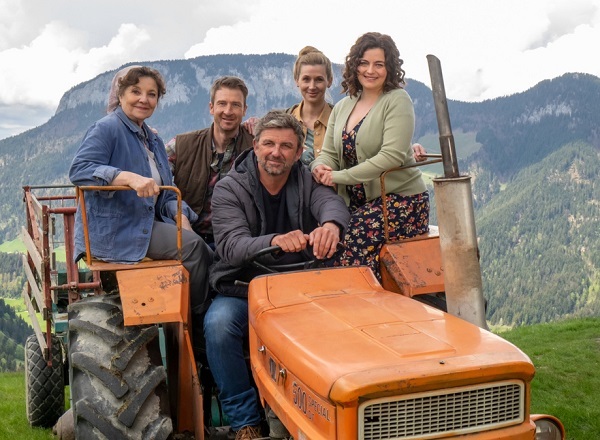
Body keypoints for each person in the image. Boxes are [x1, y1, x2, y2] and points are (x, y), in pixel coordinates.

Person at [204, 111, 349, 439]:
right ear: (255, 146)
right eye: (269, 144)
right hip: (244, 285)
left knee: (344, 322)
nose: (276, 152)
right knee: (218, 326)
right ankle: (245, 422)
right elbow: (231, 246)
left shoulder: (307, 179)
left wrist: (331, 226)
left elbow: (331, 204)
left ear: (298, 153)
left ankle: (325, 415)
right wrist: (275, 241)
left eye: (286, 146)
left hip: (301, 284)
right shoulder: (230, 188)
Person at [69, 65, 213, 334]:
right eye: (136, 91)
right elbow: (79, 170)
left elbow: (166, 189)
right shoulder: (107, 128)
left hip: (143, 222)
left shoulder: (152, 138)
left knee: (207, 249)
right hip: (121, 228)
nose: (144, 99)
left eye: (151, 94)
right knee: (194, 249)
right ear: (121, 95)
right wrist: (126, 177)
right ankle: (197, 327)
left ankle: (209, 314)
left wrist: (181, 218)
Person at [311, 32, 430, 281]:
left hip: (399, 201)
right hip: (358, 203)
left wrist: (340, 177)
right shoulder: (343, 106)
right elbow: (329, 153)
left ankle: (364, 301)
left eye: (379, 64)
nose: (370, 71)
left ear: (390, 68)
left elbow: (391, 156)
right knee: (325, 239)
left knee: (351, 240)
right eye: (364, 63)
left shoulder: (397, 100)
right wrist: (320, 167)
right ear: (354, 66)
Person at [165, 76, 254, 246]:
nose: (228, 111)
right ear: (211, 108)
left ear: (244, 110)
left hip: (240, 240)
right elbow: (157, 180)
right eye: (222, 103)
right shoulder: (181, 145)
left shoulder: (257, 146)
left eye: (236, 105)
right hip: (189, 238)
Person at [286, 46, 334, 165]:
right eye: (306, 79)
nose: (312, 86)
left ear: (329, 81)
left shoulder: (341, 120)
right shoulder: (284, 120)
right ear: (297, 80)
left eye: (319, 80)